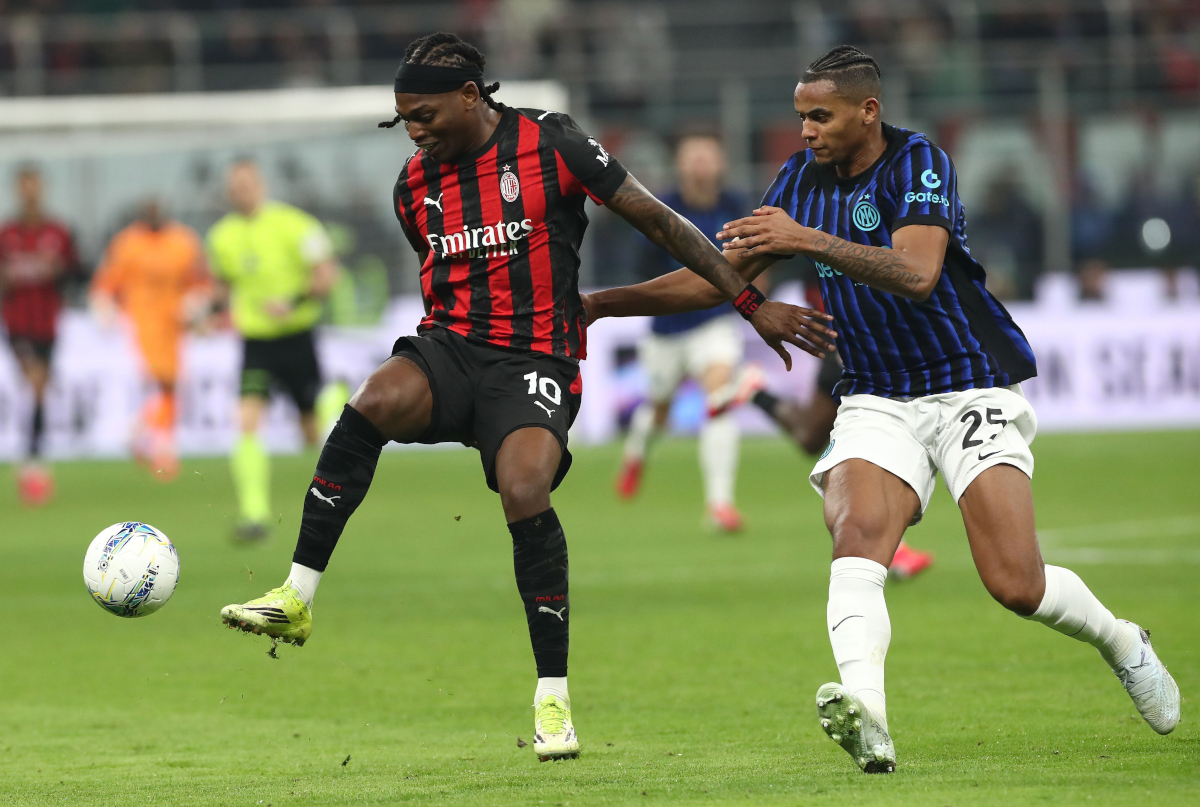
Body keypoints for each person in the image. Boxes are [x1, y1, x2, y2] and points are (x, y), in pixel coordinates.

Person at [218, 32, 832, 763]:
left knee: (523, 487)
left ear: (469, 97)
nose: (413, 131)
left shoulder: (554, 144)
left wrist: (747, 301)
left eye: (423, 115)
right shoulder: (413, 187)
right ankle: (295, 596)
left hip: (536, 357)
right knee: (372, 400)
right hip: (452, 347)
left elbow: (662, 223)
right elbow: (442, 277)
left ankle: (553, 697)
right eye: (403, 119)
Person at [582, 45, 1179, 773]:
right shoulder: (799, 178)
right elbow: (719, 276)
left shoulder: (918, 162)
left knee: (1015, 583)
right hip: (875, 392)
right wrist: (600, 304)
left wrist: (806, 239)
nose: (806, 131)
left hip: (967, 380)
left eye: (821, 116)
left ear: (868, 111)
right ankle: (869, 715)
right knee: (856, 535)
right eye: (801, 116)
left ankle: (1122, 641)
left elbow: (919, 273)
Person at [741, 275, 934, 580]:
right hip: (846, 340)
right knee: (869, 437)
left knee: (812, 438)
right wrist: (751, 302)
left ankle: (754, 390)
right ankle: (895, 550)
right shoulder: (810, 248)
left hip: (862, 336)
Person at [614, 133, 756, 532]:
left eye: (707, 156)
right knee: (659, 411)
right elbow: (642, 270)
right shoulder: (659, 207)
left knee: (719, 399)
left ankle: (720, 505)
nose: (700, 164)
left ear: (721, 163)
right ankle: (636, 453)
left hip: (714, 323)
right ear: (679, 164)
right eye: (693, 157)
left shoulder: (735, 206)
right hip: (667, 329)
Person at [207, 159, 339, 540]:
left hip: (296, 337)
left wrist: (293, 302)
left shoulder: (295, 224)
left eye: (246, 184)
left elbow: (326, 276)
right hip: (257, 343)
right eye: (235, 186)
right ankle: (254, 514)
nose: (240, 192)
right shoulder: (221, 236)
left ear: (260, 184)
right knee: (247, 419)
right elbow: (222, 288)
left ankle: (334, 397)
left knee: (310, 433)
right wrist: (204, 312)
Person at [90, 199, 209, 480]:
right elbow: (107, 282)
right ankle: (152, 440)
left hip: (173, 324)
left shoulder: (183, 241)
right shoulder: (127, 243)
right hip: (137, 323)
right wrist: (104, 311)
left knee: (170, 384)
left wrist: (195, 307)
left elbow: (199, 282)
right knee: (157, 383)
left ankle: (151, 439)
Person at [0, 165, 80, 506]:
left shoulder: (58, 232)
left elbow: (76, 272)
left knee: (40, 389)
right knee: (33, 382)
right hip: (17, 322)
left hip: (48, 323)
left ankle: (32, 454)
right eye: (24, 186)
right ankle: (33, 462)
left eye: (34, 186)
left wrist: (57, 272)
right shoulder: (7, 234)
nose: (30, 193)